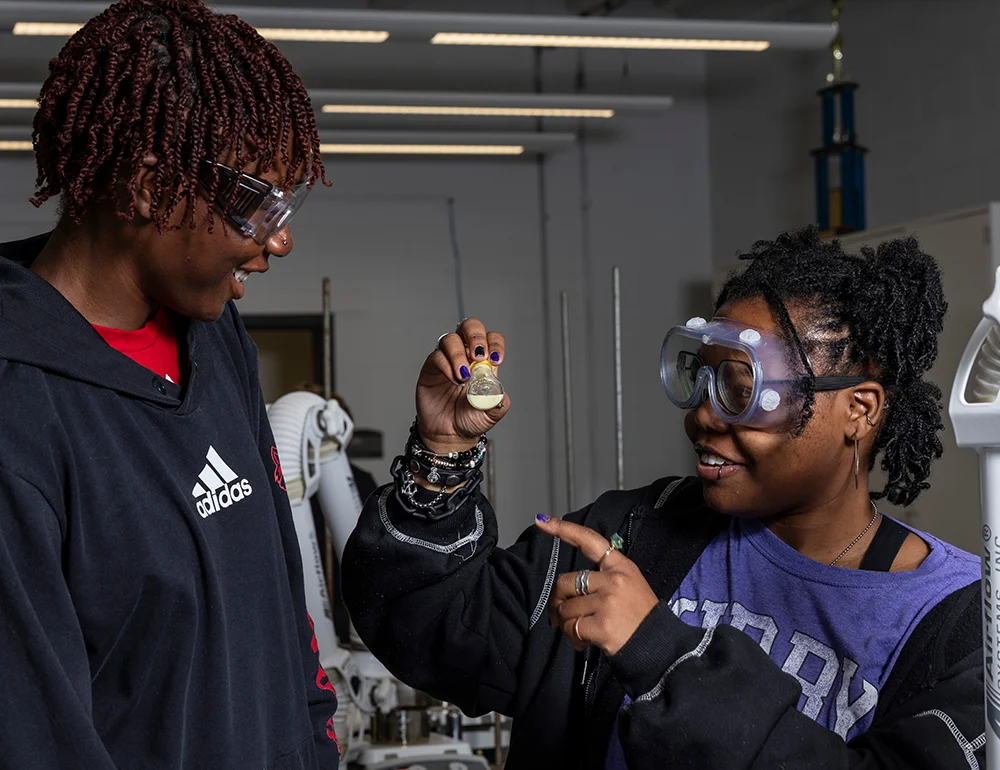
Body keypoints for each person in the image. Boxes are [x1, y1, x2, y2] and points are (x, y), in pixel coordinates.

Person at [342, 228, 984, 769]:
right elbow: (432, 625)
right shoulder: (631, 536)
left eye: (741, 389)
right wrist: (442, 455)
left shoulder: (957, 624)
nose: (703, 417)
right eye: (700, 379)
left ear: (858, 411)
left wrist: (659, 654)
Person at [0, 1, 340, 767]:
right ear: (151, 189)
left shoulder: (218, 340)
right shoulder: (20, 410)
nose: (280, 240)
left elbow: (286, 615)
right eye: (257, 205)